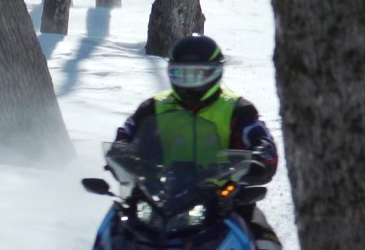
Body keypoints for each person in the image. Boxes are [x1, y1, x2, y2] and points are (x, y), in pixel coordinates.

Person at [115, 33, 281, 250]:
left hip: (224, 199)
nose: (190, 83)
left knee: (266, 243)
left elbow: (263, 142)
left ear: (216, 72)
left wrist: (257, 158)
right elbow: (125, 136)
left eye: (199, 74)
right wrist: (123, 154)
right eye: (182, 75)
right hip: (158, 200)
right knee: (114, 230)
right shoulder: (152, 108)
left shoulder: (238, 110)